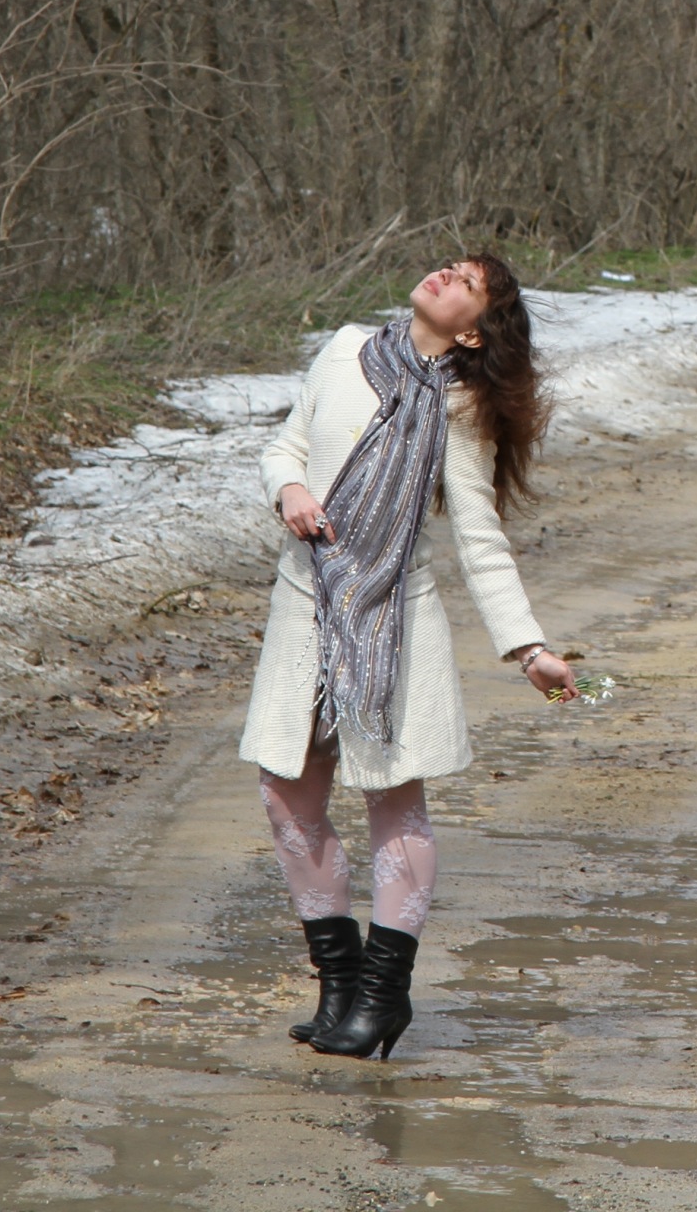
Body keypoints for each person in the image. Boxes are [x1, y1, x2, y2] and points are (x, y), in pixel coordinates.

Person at [240, 252, 575, 1059]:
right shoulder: (343, 349)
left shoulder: (463, 408)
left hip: (397, 616)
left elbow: (479, 537)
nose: (443, 276)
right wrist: (290, 490)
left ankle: (384, 997)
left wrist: (527, 647)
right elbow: (285, 446)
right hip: (304, 604)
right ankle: (339, 985)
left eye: (466, 284)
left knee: (392, 798)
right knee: (286, 796)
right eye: (449, 266)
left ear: (473, 331)